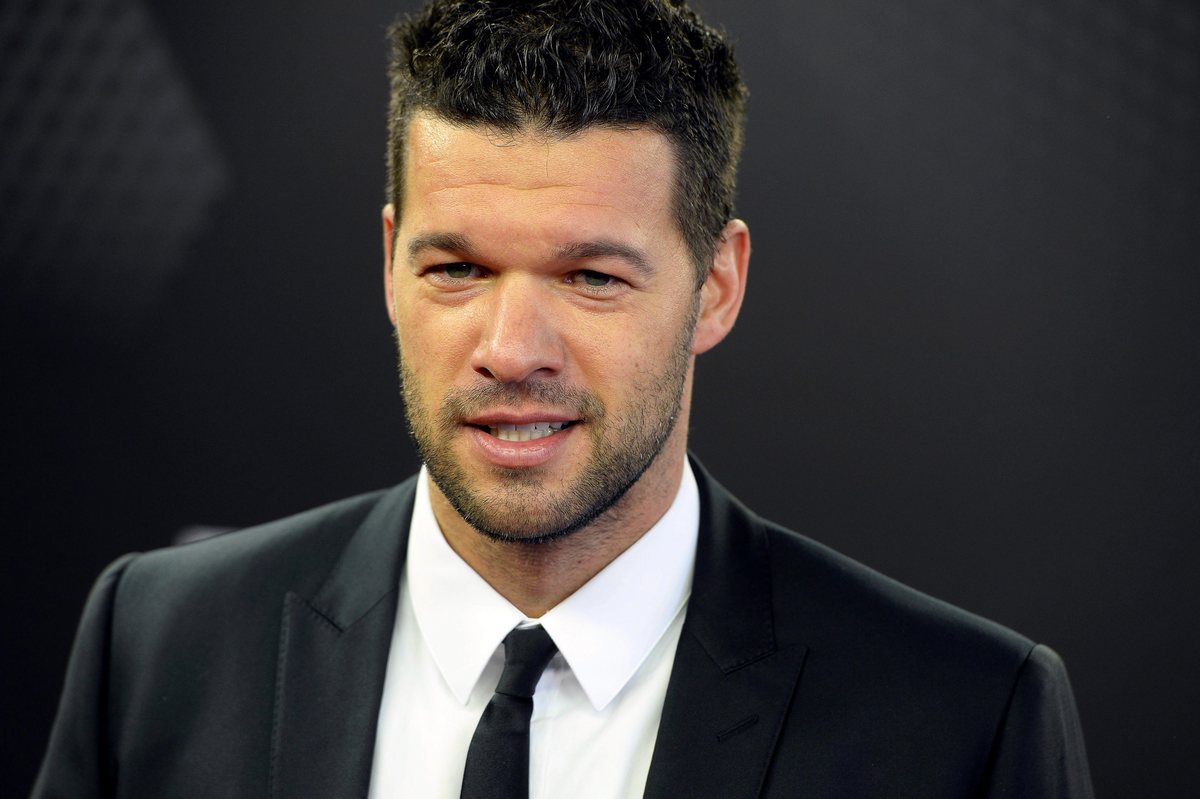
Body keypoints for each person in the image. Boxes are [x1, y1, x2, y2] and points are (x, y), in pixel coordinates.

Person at [33, 1, 1094, 797]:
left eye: (591, 277)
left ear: (717, 285)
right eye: (456, 269)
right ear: (391, 262)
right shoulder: (157, 643)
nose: (510, 350)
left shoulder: (964, 720)